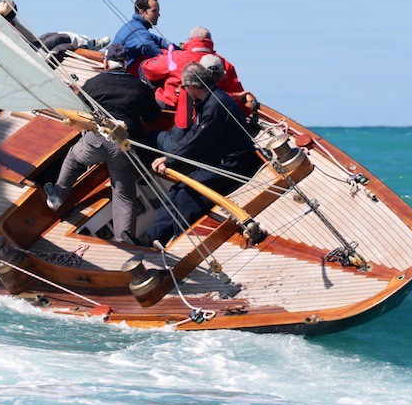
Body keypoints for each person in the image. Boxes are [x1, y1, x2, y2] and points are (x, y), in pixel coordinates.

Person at [142, 62, 262, 246]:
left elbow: (199, 142)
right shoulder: (207, 101)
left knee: (186, 196)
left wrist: (170, 159)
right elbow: (193, 134)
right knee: (175, 191)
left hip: (233, 164)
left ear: (190, 87)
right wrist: (171, 156)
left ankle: (179, 244)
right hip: (218, 161)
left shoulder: (214, 106)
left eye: (183, 87)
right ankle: (152, 238)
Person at [42, 70, 159, 245]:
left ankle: (57, 197)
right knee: (124, 195)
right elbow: (152, 117)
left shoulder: (93, 82)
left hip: (96, 141)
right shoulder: (141, 88)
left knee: (74, 158)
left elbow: (79, 109)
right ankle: (124, 238)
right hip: (124, 146)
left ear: (107, 65)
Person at [138, 26, 251, 127]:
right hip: (208, 111)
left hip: (170, 108)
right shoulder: (223, 64)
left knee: (145, 67)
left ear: (190, 41)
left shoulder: (174, 57)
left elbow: (148, 69)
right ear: (210, 41)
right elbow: (234, 92)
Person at [105, 0, 172, 75]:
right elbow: (151, 48)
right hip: (121, 76)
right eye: (154, 11)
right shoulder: (140, 32)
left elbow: (159, 41)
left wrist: (179, 49)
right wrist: (171, 61)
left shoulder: (135, 26)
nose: (158, 14)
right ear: (141, 13)